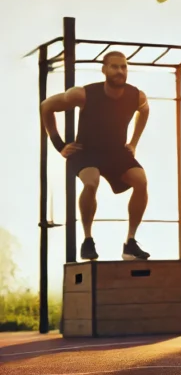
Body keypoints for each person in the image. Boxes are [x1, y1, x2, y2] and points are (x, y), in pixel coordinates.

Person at [40, 51, 151, 261]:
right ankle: (88, 240)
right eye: (115, 67)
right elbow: (46, 107)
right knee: (91, 182)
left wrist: (134, 143)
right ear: (104, 70)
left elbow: (144, 111)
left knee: (141, 181)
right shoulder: (83, 94)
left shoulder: (136, 96)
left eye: (123, 67)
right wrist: (59, 145)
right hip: (87, 151)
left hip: (117, 151)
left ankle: (130, 243)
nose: (120, 71)